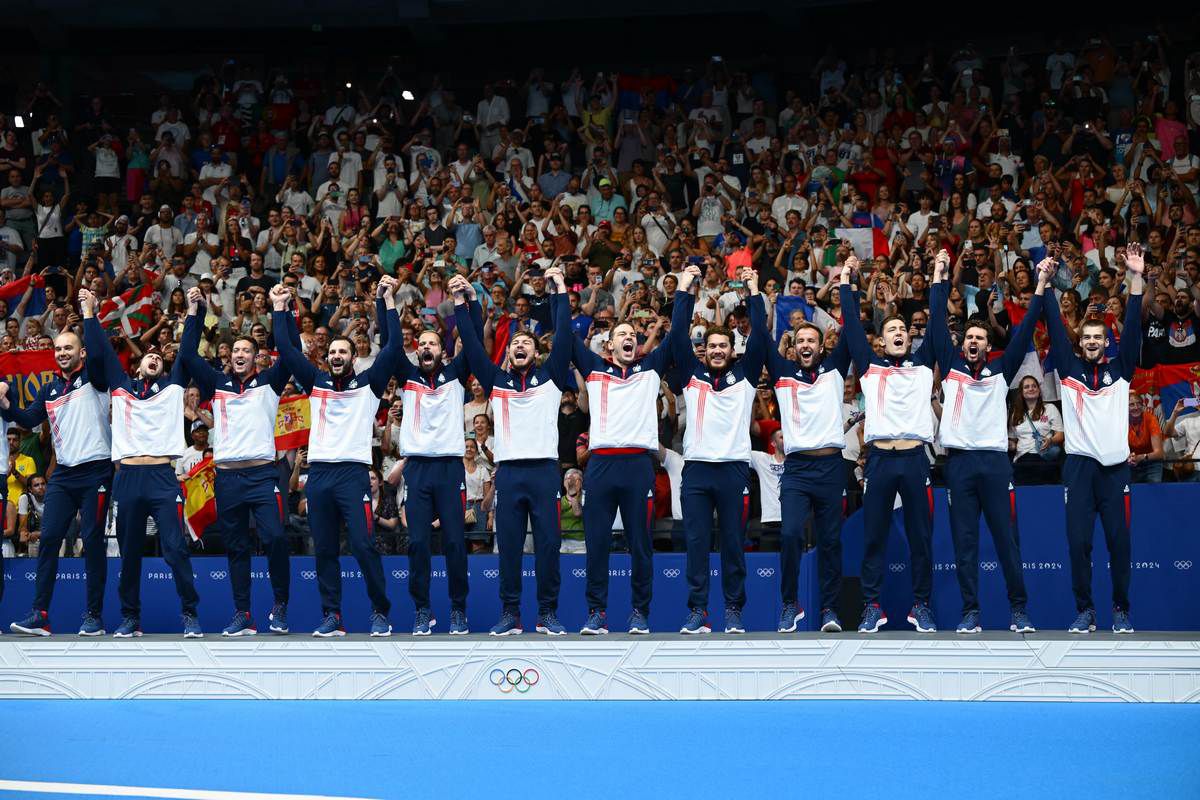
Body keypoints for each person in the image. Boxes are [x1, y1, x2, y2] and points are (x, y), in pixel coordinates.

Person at [270, 278, 404, 637]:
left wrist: (387, 301)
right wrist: (280, 306)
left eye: (343, 352)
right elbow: (285, 346)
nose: (337, 356)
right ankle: (332, 615)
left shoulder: (369, 385)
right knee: (324, 549)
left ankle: (380, 611)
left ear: (354, 357)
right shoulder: (316, 382)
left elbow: (393, 348)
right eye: (332, 352)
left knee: (362, 545)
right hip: (319, 477)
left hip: (353, 475)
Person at [925, 250, 1041, 635]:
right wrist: (940, 275)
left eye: (980, 337)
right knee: (965, 544)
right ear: (963, 344)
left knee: (1007, 542)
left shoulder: (1000, 370)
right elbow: (937, 326)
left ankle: (1019, 610)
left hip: (994, 465)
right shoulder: (953, 366)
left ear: (988, 345)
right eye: (969, 337)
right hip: (958, 465)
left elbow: (1023, 335)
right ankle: (970, 612)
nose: (974, 341)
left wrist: (1040, 287)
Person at [451, 270, 572, 636]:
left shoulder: (551, 377)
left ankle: (548, 613)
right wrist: (462, 303)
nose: (520, 346)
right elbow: (472, 347)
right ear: (509, 352)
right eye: (515, 343)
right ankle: (510, 613)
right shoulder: (497, 383)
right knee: (510, 549)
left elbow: (565, 336)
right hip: (508, 474)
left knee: (549, 546)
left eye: (527, 343)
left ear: (537, 352)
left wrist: (561, 292)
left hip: (544, 473)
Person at [79, 288, 202, 638]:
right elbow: (101, 350)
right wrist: (89, 311)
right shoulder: (122, 387)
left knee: (176, 550)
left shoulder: (173, 387)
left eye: (159, 357)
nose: (153, 356)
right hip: (129, 477)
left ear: (164, 367)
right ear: (136, 365)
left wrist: (194, 310)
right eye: (147, 355)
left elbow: (188, 351)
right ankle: (130, 617)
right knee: (129, 555)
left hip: (163, 477)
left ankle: (190, 612)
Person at [1040, 245, 1145, 634]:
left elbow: (1132, 329)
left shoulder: (1121, 370)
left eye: (1097, 337)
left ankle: (1120, 609)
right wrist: (1047, 284)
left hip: (1115, 471)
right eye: (1085, 337)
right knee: (1078, 545)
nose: (1090, 342)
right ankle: (1085, 611)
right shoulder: (1068, 371)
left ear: (1106, 342)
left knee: (1119, 544)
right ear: (1080, 341)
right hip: (1080, 469)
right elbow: (1053, 324)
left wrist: (1136, 278)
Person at [182, 289, 292, 637]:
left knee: (275, 538)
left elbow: (291, 354)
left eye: (248, 350)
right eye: (237, 350)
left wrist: (280, 310)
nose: (241, 354)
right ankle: (243, 612)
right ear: (229, 357)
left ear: (257, 357)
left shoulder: (269, 382)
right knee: (236, 547)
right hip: (227, 478)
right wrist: (195, 312)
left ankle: (280, 605)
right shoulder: (217, 383)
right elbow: (186, 354)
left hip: (262, 474)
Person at [749, 266, 853, 634]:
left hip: (830, 467)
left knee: (831, 541)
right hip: (796, 470)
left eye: (812, 340)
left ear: (821, 344)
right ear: (793, 347)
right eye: (800, 341)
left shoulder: (835, 372)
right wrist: (753, 291)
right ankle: (790, 603)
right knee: (791, 534)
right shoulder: (782, 373)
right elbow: (760, 339)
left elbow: (853, 332)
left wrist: (846, 286)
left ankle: (829, 610)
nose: (806, 345)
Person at [838, 255, 938, 634]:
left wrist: (938, 277)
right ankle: (870, 607)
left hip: (915, 459)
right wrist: (847, 280)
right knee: (874, 536)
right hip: (879, 460)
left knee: (921, 539)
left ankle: (922, 605)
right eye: (891, 328)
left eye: (903, 328)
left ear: (910, 337)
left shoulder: (924, 366)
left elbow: (938, 325)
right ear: (881, 340)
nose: (898, 331)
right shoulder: (869, 366)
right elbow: (850, 328)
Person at [568, 279, 675, 636]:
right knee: (596, 544)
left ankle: (639, 613)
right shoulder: (596, 371)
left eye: (633, 334)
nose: (629, 337)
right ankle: (596, 613)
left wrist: (686, 289)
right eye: (622, 334)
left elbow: (676, 336)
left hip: (637, 467)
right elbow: (568, 337)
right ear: (609, 344)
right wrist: (557, 291)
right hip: (599, 466)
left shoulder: (650, 371)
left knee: (640, 546)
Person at [380, 283, 484, 635]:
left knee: (455, 542)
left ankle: (458, 610)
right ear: (416, 350)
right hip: (419, 469)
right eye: (421, 343)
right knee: (419, 543)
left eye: (432, 343)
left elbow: (473, 340)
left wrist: (463, 303)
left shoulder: (455, 375)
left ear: (442, 350)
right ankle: (422, 609)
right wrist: (388, 302)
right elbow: (391, 343)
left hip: (450, 468)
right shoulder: (408, 376)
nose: (426, 347)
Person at [669, 264, 766, 635]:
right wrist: (683, 286)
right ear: (703, 351)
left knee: (732, 546)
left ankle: (733, 611)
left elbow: (760, 336)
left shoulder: (745, 376)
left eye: (723, 345)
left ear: (732, 349)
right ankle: (697, 611)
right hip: (696, 469)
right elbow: (677, 335)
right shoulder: (692, 377)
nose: (717, 350)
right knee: (695, 544)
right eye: (711, 346)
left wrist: (753, 289)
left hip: (733, 470)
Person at [3, 331, 113, 636]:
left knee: (91, 543)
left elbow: (102, 354)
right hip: (63, 475)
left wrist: (89, 311)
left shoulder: (96, 378)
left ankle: (94, 616)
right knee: (48, 539)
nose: (63, 352)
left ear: (82, 353)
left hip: (96, 472)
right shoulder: (49, 389)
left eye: (69, 348)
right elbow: (26, 417)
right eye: (59, 348)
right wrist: (4, 402)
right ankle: (40, 614)